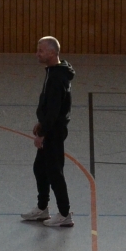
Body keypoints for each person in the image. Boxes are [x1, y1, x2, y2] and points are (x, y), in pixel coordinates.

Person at [20, 36, 75, 229]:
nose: (37, 54)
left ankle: (65, 214)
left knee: (54, 172)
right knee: (40, 168)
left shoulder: (56, 78)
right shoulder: (54, 72)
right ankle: (42, 208)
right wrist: (41, 123)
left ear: (52, 53)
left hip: (53, 131)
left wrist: (42, 133)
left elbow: (53, 111)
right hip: (50, 128)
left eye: (41, 51)